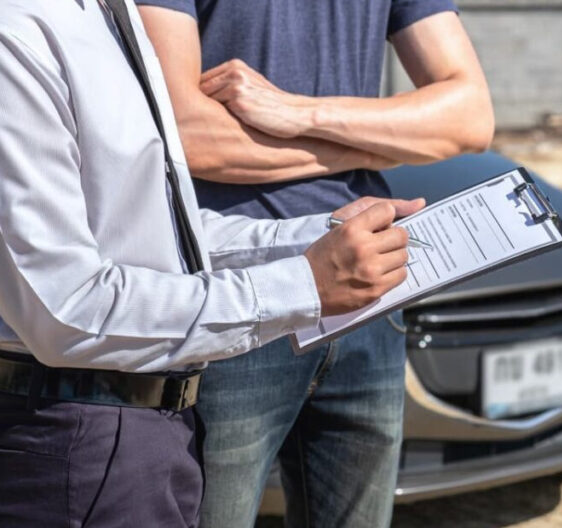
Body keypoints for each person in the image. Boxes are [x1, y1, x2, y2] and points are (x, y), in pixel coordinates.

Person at [0, 1, 423, 526]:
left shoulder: (107, 14)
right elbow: (66, 310)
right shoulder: (15, 33)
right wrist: (303, 284)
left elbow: (161, 233)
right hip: (72, 435)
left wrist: (317, 236)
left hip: (154, 430)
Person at [135, 2, 494, 526]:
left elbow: (470, 117)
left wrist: (302, 113)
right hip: (237, 292)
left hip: (371, 288)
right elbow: (184, 133)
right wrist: (374, 147)